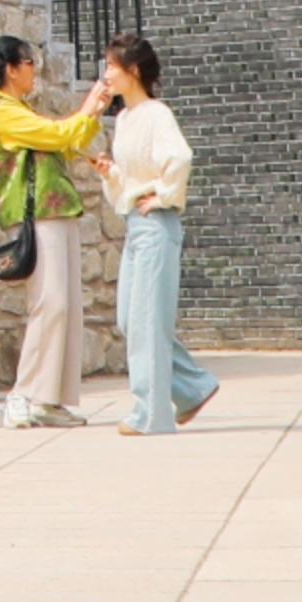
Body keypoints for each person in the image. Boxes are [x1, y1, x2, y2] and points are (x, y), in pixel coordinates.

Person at [0, 36, 98, 427]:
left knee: (67, 306)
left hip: (55, 211)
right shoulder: (3, 111)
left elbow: (67, 142)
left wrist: (93, 117)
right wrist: (90, 107)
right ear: (11, 69)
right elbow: (58, 135)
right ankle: (22, 394)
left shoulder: (20, 109)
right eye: (29, 63)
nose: (34, 70)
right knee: (50, 303)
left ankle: (49, 399)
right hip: (36, 215)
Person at [89, 36, 213, 435]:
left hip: (157, 226)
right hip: (136, 226)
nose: (106, 74)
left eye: (112, 66)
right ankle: (192, 388)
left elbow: (180, 157)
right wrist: (112, 174)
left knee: (147, 322)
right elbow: (133, 178)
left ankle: (151, 414)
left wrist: (163, 195)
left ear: (134, 71)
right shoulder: (125, 118)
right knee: (131, 319)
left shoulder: (157, 114)